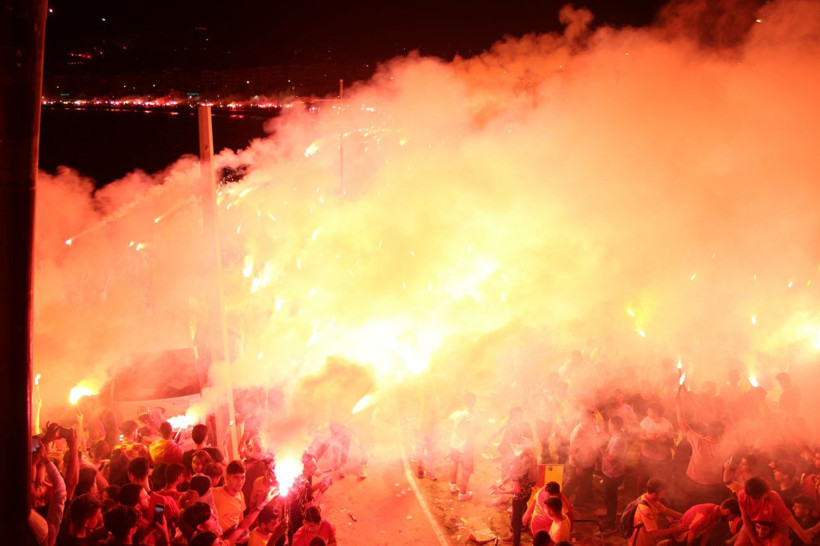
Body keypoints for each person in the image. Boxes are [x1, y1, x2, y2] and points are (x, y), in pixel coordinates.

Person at [676, 388, 732, 506]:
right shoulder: (726, 446)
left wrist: (678, 404)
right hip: (713, 486)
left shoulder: (699, 441)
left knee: (692, 509)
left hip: (693, 482)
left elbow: (682, 424)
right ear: (722, 433)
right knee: (709, 511)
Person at [736, 476, 812, 546]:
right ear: (754, 497)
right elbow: (745, 518)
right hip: (753, 522)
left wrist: (808, 542)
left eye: (767, 492)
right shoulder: (742, 496)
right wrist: (753, 539)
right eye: (764, 495)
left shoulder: (774, 498)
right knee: (740, 544)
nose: (767, 495)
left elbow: (792, 523)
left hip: (776, 524)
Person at [498, 437, 538, 546]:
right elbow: (519, 475)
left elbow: (517, 490)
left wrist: (501, 492)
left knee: (515, 521)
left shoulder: (515, 468)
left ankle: (515, 542)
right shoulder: (525, 459)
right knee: (520, 512)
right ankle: (522, 528)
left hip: (519, 496)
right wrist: (508, 478)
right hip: (527, 492)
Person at [630, 478, 686, 546]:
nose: (663, 496)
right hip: (640, 543)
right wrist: (676, 529)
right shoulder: (645, 508)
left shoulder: (653, 501)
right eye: (662, 494)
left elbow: (667, 511)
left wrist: (685, 516)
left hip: (649, 541)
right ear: (654, 494)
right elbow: (655, 534)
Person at [563, 408, 601, 506]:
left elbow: (599, 433)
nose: (594, 419)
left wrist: (597, 425)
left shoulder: (592, 426)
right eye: (592, 418)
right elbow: (573, 451)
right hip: (579, 464)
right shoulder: (578, 432)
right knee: (572, 483)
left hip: (589, 463)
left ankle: (579, 503)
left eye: (594, 417)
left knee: (585, 484)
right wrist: (578, 467)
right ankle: (561, 501)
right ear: (585, 418)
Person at [636, 403, 675, 493]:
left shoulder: (667, 425)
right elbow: (639, 436)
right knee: (641, 475)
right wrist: (647, 439)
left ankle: (657, 496)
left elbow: (671, 441)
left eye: (650, 410)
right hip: (645, 455)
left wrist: (661, 441)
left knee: (659, 479)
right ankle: (638, 495)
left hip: (660, 458)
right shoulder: (646, 420)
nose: (647, 411)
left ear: (656, 413)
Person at [600, 415, 628, 531]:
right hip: (610, 473)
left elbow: (611, 458)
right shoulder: (617, 436)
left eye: (610, 423)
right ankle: (609, 515)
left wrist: (600, 449)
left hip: (613, 474)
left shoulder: (618, 440)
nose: (608, 425)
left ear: (613, 425)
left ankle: (610, 523)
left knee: (610, 498)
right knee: (609, 497)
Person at [448, 392, 478, 501]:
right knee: (466, 469)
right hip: (466, 447)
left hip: (454, 443)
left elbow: (449, 420)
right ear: (474, 402)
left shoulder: (457, 414)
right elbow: (476, 431)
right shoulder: (473, 417)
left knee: (454, 462)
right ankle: (462, 493)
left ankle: (452, 485)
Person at [211, 460, 246, 534]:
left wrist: (244, 532)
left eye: (242, 478)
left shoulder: (240, 494)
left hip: (236, 536)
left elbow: (241, 519)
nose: (240, 482)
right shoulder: (214, 493)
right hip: (221, 538)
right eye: (236, 477)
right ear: (227, 478)